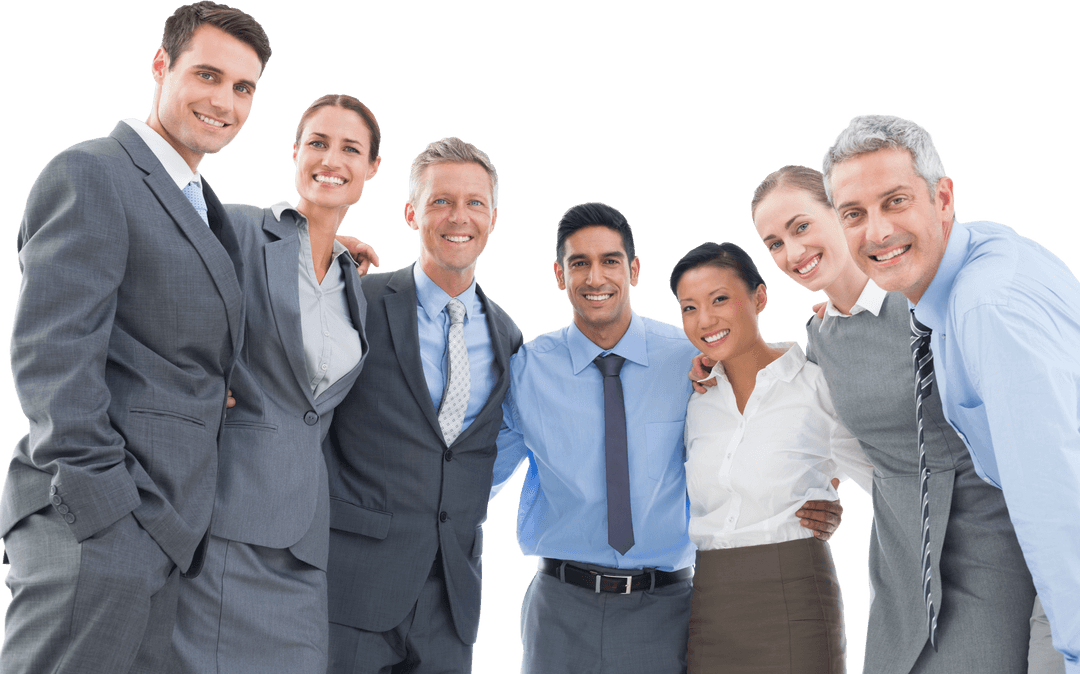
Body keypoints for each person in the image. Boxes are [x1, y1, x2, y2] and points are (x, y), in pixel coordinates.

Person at [0, 2, 271, 673]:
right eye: (207, 75)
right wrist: (108, 513)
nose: (225, 102)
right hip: (99, 531)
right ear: (160, 65)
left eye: (244, 89)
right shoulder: (93, 173)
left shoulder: (202, 203)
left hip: (167, 534)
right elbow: (52, 357)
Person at [491, 203, 844, 674]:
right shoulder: (526, 370)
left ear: (634, 270)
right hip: (560, 607)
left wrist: (821, 489)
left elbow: (771, 415)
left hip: (665, 606)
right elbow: (472, 473)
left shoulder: (692, 358)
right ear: (559, 275)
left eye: (611, 261)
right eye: (580, 263)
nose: (596, 277)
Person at [747, 163, 1058, 673]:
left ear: (839, 213)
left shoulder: (927, 300)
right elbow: (835, 435)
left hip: (985, 536)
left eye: (801, 226)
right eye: (775, 243)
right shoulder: (821, 337)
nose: (793, 253)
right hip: (901, 558)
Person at [822, 113, 1080, 672]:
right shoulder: (975, 259)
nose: (877, 232)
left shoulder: (986, 310)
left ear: (943, 198)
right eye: (854, 214)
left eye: (895, 201)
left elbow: (1053, 495)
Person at [169, 94, 382, 674]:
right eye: (317, 142)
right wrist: (197, 386)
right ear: (294, 153)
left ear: (370, 169)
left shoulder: (354, 282)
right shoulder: (234, 226)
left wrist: (339, 250)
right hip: (226, 525)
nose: (330, 159)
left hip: (306, 545)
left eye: (349, 149)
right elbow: (137, 279)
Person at [323, 136, 523, 674]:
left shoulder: (509, 338)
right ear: (411, 212)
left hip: (450, 602)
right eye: (441, 201)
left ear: (493, 217)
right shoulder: (356, 302)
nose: (459, 216)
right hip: (350, 591)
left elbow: (479, 454)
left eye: (474, 203)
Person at [673, 240, 872, 673]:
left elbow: (886, 474)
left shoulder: (817, 386)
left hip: (794, 597)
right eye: (689, 308)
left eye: (720, 299)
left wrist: (830, 495)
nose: (705, 320)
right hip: (710, 604)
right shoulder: (695, 399)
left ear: (760, 297)